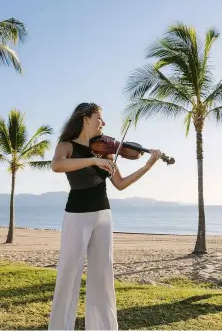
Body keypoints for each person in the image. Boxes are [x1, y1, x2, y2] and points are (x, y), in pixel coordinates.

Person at [48, 102, 161, 330]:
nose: (104, 123)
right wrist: (93, 160)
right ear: (85, 119)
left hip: (103, 215)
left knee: (102, 276)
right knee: (69, 274)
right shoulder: (67, 146)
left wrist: (148, 165)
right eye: (100, 118)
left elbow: (120, 184)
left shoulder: (107, 150)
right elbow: (57, 165)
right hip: (76, 215)